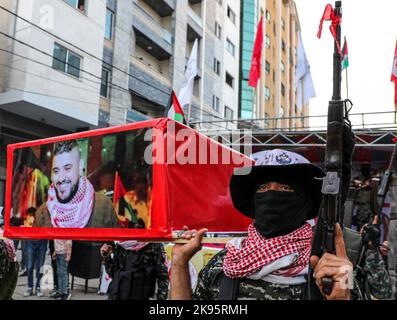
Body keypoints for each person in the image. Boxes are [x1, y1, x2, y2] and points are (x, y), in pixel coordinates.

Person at [170, 149, 355, 300]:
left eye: (285, 188)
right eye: (263, 188)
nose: (271, 196)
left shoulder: (329, 269)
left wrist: (343, 297)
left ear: (305, 203)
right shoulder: (226, 262)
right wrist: (179, 262)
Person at [34, 140, 119, 229]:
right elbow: (32, 243)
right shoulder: (43, 213)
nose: (61, 178)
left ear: (80, 166)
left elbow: (120, 241)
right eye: (56, 171)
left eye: (67, 168)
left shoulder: (103, 206)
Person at [100, 240, 169, 300]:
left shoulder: (153, 245)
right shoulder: (120, 243)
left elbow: (162, 276)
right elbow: (113, 274)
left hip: (139, 294)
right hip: (117, 294)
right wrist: (107, 258)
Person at [23, 207, 48, 297]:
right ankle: (30, 287)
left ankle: (37, 287)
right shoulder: (30, 215)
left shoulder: (43, 214)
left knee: (39, 266)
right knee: (29, 266)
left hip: (42, 242)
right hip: (31, 241)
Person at [352, 161, 375, 232]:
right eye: (364, 166)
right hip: (360, 206)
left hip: (369, 206)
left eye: (367, 166)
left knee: (370, 227)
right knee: (360, 227)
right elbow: (351, 181)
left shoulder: (372, 178)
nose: (365, 168)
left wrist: (370, 184)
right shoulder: (358, 177)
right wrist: (358, 183)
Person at [0, 210, 18, 300]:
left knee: (5, 293)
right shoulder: (5, 237)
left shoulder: (3, 238)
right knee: (7, 292)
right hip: (11, 265)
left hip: (9, 267)